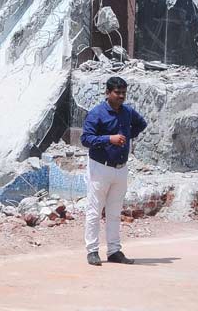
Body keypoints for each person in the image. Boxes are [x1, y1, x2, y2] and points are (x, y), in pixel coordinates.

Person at [81, 76, 147, 266]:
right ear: (107, 93)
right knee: (94, 210)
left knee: (115, 211)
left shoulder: (127, 112)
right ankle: (92, 251)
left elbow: (141, 124)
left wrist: (126, 136)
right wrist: (109, 139)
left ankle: (114, 251)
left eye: (123, 93)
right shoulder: (96, 113)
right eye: (117, 93)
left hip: (120, 168)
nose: (121, 96)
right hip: (100, 168)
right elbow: (86, 139)